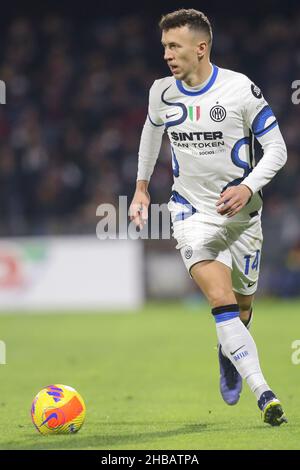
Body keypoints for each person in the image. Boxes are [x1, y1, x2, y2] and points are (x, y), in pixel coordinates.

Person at [129, 8, 288, 426]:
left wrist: (247, 187)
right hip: (190, 212)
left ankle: (228, 352)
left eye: (174, 46)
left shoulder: (240, 90)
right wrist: (142, 188)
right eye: (164, 46)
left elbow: (278, 149)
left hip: (243, 216)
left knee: (243, 307)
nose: (166, 54)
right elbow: (150, 133)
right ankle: (265, 393)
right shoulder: (162, 92)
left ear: (200, 48)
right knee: (222, 302)